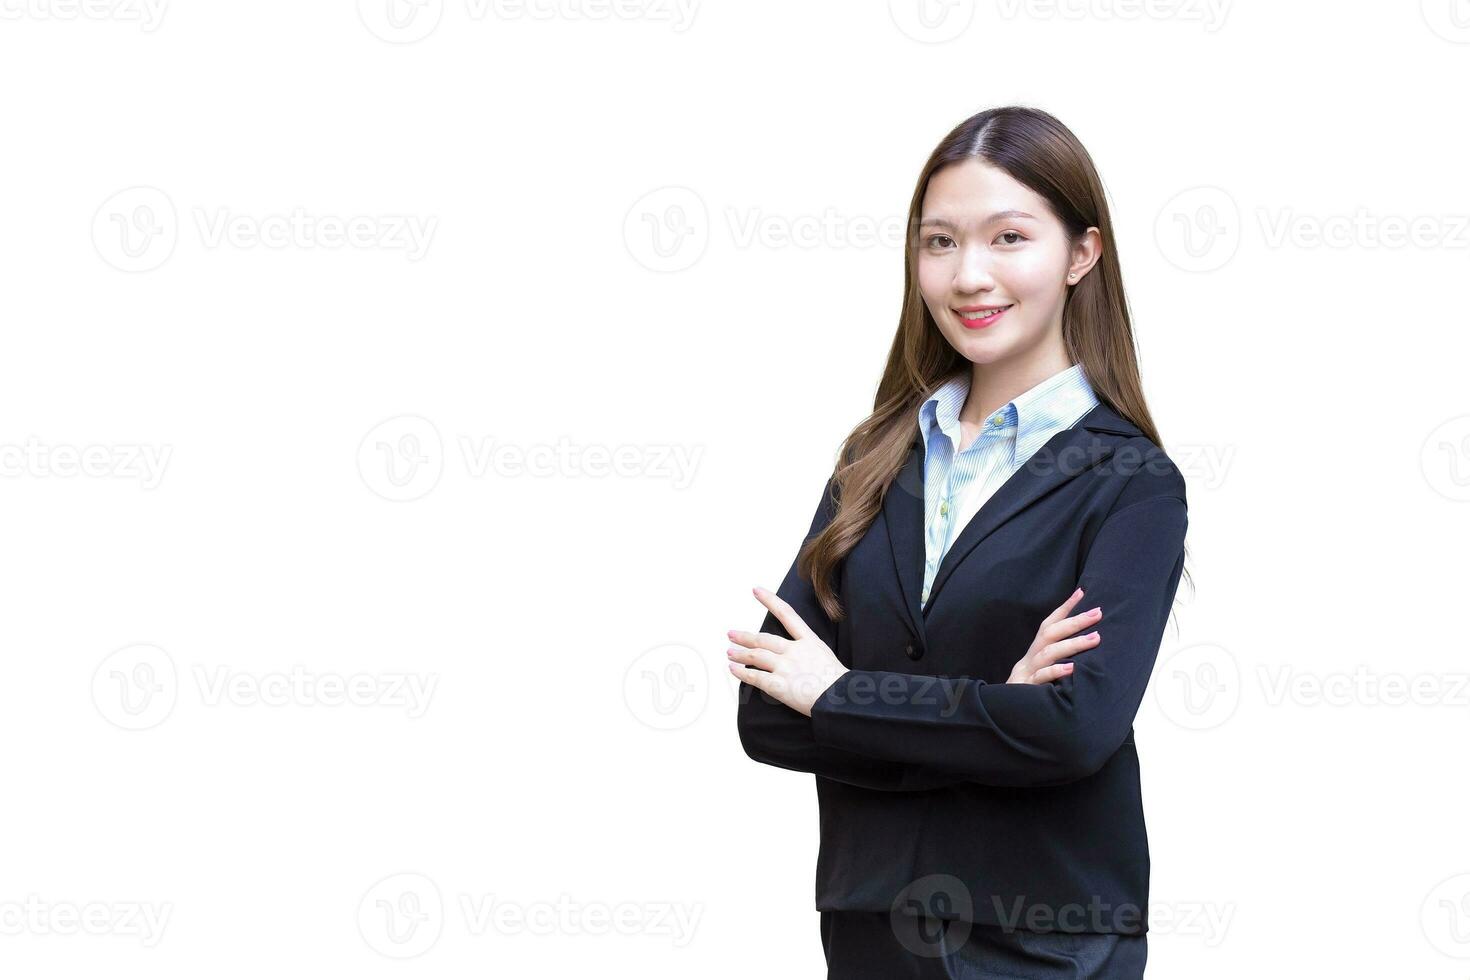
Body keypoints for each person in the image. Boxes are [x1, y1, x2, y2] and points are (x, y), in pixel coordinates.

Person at [728, 105, 1193, 979]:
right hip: (871, 927)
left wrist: (842, 696)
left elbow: (1072, 730)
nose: (969, 275)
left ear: (1081, 254)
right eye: (939, 242)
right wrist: (987, 708)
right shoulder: (875, 460)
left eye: (1008, 237)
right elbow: (766, 712)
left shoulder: (1131, 484)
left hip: (1042, 939)